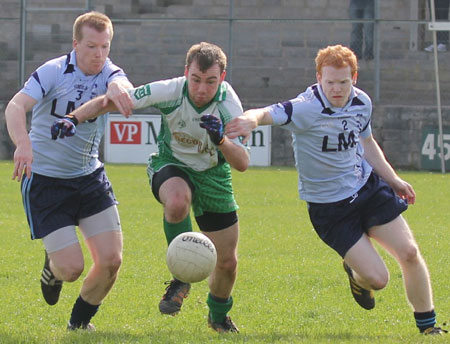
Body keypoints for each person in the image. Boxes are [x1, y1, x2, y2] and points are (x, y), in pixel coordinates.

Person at [226, 45, 448, 336]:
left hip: (367, 190)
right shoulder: (307, 107)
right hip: (330, 210)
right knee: (378, 279)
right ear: (319, 77)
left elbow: (367, 143)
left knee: (409, 251)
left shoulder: (361, 102)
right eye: (329, 81)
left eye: (343, 82)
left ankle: (429, 327)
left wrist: (393, 180)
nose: (336, 89)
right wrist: (249, 120)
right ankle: (355, 274)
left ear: (354, 77)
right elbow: (268, 113)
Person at [52, 42, 249, 333]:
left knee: (227, 263)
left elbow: (242, 162)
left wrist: (221, 140)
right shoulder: (170, 90)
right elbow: (112, 101)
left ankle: (218, 317)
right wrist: (74, 117)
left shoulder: (228, 105)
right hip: (172, 165)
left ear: (222, 78)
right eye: (195, 80)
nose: (201, 89)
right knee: (178, 200)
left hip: (213, 175)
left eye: (210, 82)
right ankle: (181, 277)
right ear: (186, 73)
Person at [5, 11, 134, 331]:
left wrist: (119, 85)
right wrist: (22, 143)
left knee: (111, 261)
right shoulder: (54, 70)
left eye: (105, 47)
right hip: (46, 181)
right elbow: (15, 106)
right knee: (72, 268)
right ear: (76, 44)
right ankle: (53, 267)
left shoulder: (110, 71)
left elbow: (121, 82)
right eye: (91, 46)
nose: (98, 54)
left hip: (90, 179)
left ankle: (79, 325)